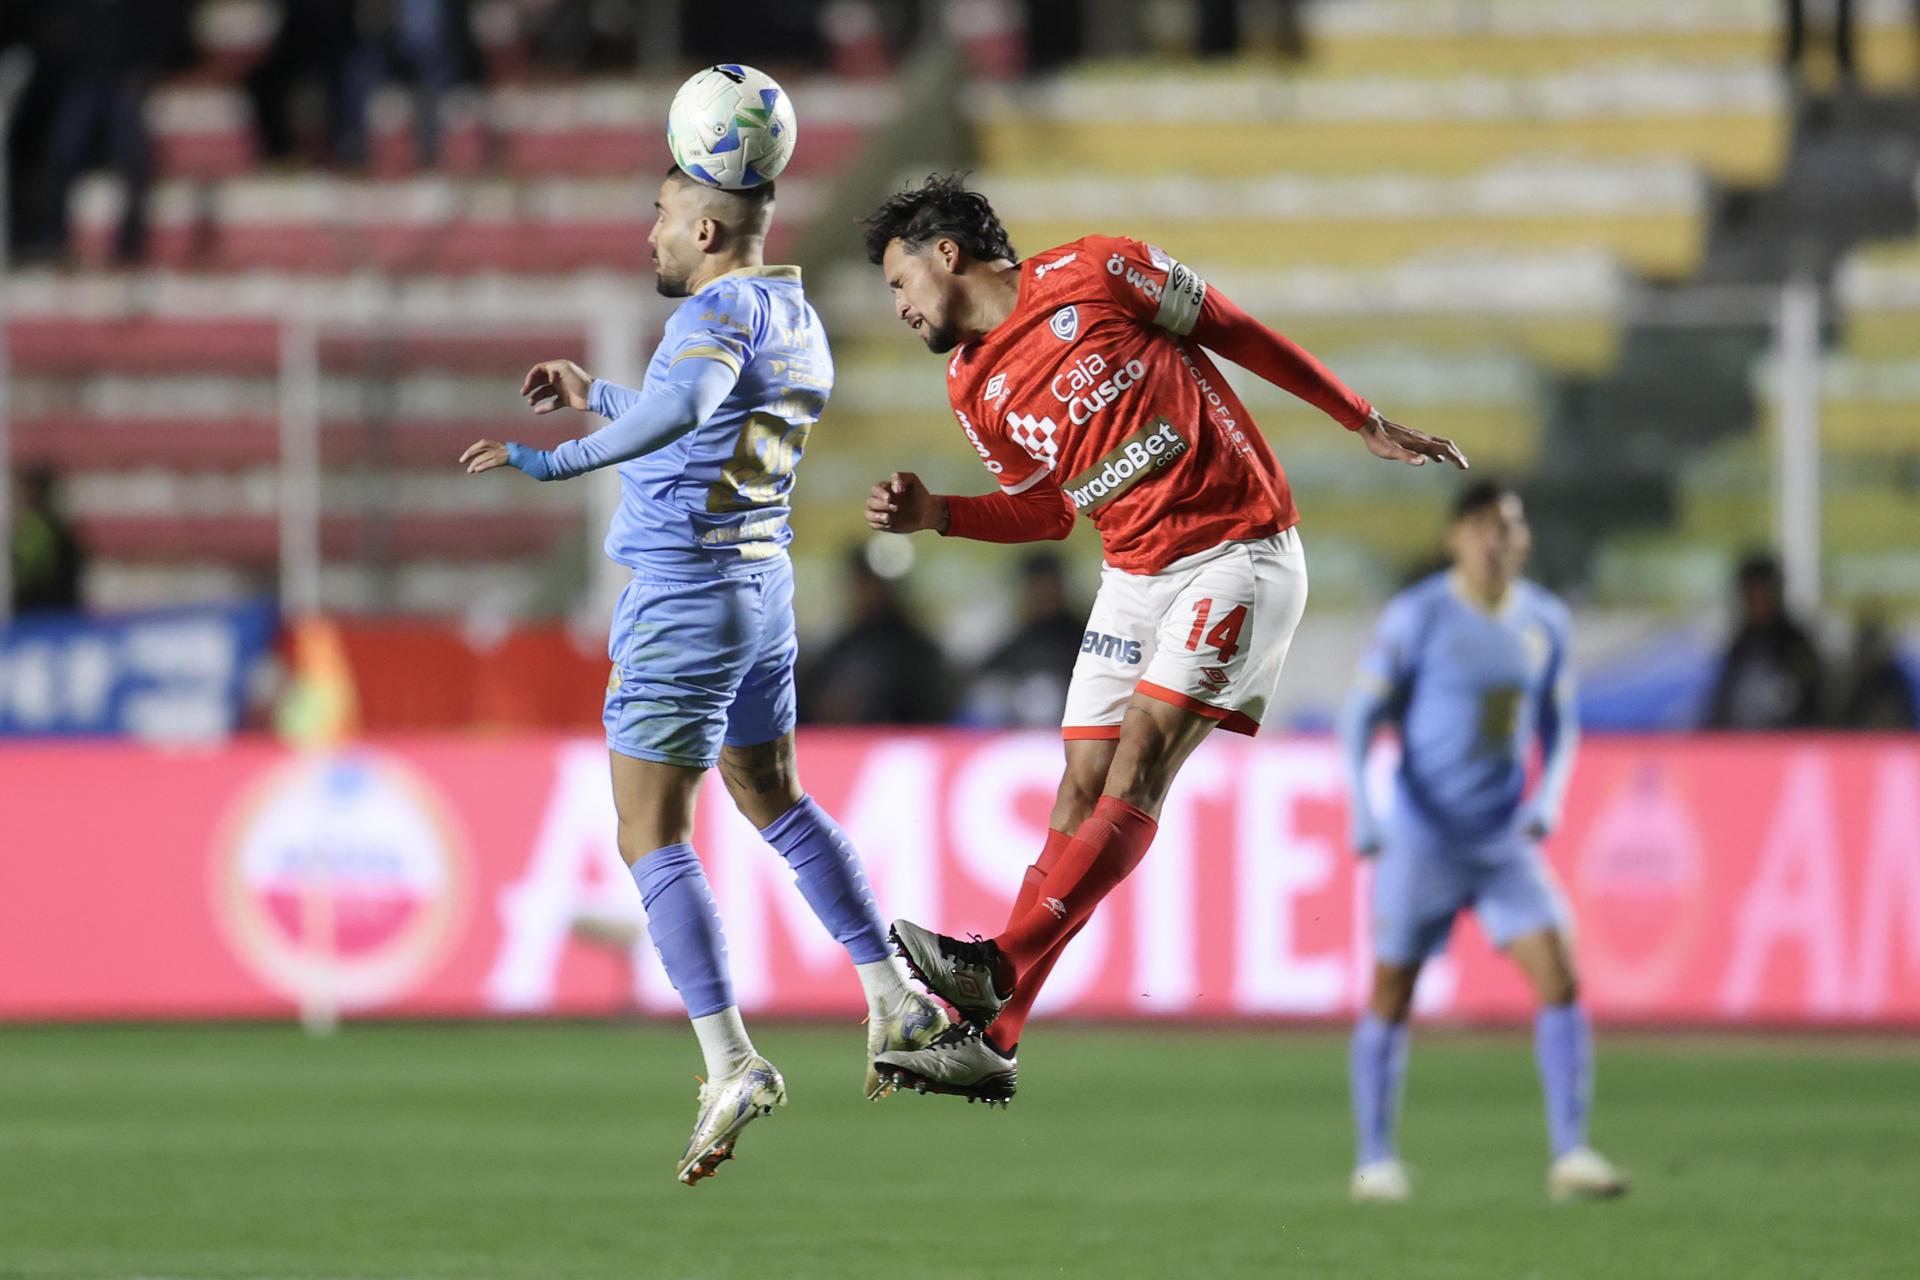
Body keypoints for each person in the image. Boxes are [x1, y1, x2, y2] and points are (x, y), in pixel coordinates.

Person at [859, 174, 1466, 1105]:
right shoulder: (970, 383)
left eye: (899, 282)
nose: (897, 306)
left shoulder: (1102, 271)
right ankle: (996, 1033)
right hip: (1134, 575)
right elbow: (1051, 510)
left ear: (947, 254)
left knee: (1139, 756)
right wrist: (940, 513)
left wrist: (1359, 417)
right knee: (1081, 783)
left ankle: (998, 964)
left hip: (1237, 551)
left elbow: (1233, 329)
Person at [460, 166, 947, 1185]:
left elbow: (686, 407)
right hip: (758, 587)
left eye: (663, 214)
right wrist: (594, 392)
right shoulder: (790, 310)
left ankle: (730, 1061)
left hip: (685, 597)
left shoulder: (715, 311)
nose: (650, 232)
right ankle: (893, 993)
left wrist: (555, 458)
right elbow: (706, 419)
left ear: (710, 226)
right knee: (772, 792)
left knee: (651, 830)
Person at [1339, 481, 1628, 1204]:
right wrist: (1364, 809)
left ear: (1523, 538)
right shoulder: (1421, 615)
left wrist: (1550, 795)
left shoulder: (1544, 620)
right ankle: (1375, 1160)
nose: (1495, 540)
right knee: (1391, 993)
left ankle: (1571, 1153)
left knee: (1558, 975)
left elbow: (1560, 722)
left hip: (1501, 838)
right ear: (1455, 539)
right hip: (1422, 834)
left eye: (1507, 527)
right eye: (1480, 527)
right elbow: (1358, 716)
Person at [799, 547, 955, 724]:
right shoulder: (839, 647)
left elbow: (930, 711)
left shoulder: (917, 653)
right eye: (862, 581)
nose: (867, 590)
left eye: (874, 582)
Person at [960, 550, 1085, 728]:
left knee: (1042, 696)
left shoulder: (1082, 635)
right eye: (1035, 587)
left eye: (1047, 587)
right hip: (1011, 726)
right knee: (990, 695)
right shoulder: (1018, 636)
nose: (1041, 595)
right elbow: (989, 672)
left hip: (1062, 728)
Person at [1703, 553, 1825, 730]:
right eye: (1751, 594)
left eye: (1763, 593)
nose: (1757, 602)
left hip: (1785, 747)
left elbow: (1812, 709)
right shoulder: (1738, 645)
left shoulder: (1796, 646)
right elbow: (1721, 707)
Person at [10, 468, 86, 614]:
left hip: (38, 611)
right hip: (58, 610)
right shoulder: (60, 525)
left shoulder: (36, 527)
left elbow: (32, 572)